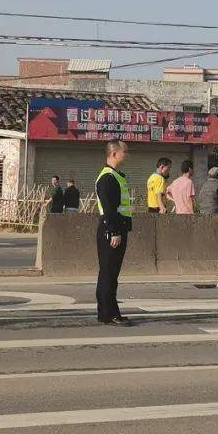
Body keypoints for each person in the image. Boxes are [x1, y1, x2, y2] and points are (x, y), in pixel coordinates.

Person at [95, 139, 133, 326]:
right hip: (112, 230)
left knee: (111, 274)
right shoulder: (108, 177)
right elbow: (109, 208)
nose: (127, 155)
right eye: (124, 152)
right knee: (108, 274)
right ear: (114, 154)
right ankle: (108, 314)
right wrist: (114, 231)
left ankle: (109, 312)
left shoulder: (115, 175)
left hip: (117, 228)